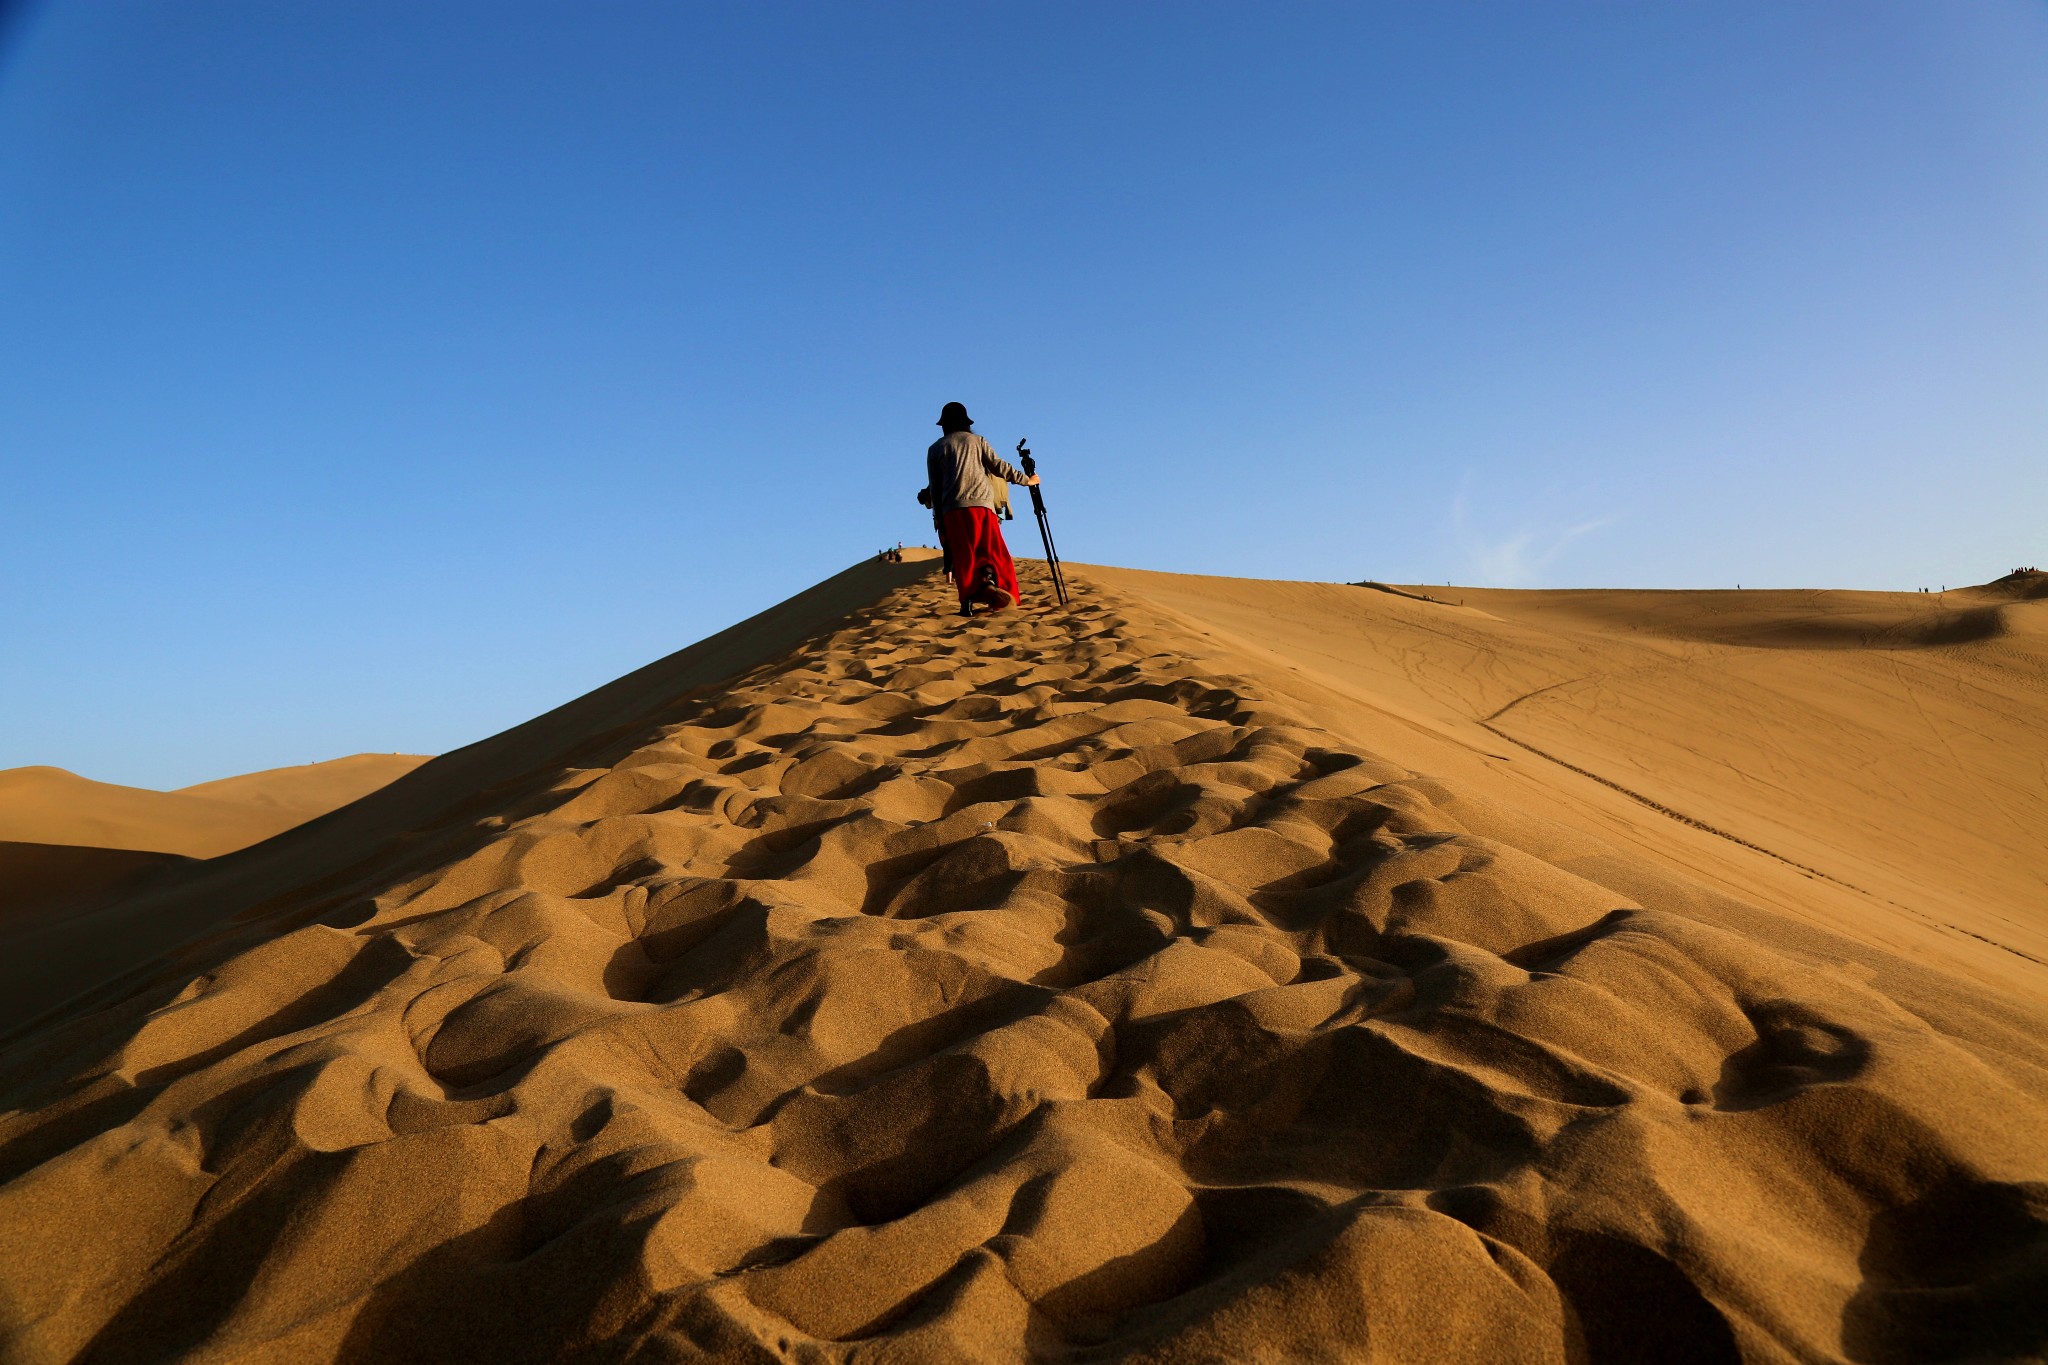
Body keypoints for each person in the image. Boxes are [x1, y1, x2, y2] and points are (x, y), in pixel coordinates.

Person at [918, 402, 1038, 615]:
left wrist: (937, 516)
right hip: (982, 506)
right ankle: (1006, 596)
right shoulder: (977, 441)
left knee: (965, 556)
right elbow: (998, 466)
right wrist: (1026, 480)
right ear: (966, 423)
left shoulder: (935, 449)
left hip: (952, 510)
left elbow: (935, 486)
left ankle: (967, 601)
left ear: (944, 425)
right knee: (995, 551)